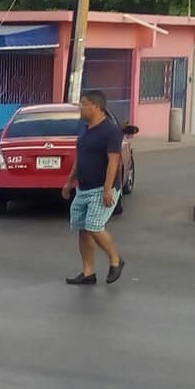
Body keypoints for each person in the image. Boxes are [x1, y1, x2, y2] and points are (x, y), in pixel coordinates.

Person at [63, 90, 126, 285]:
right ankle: (88, 272)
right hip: (83, 188)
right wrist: (69, 181)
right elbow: (80, 157)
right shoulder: (85, 129)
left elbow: (113, 162)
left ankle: (116, 260)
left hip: (101, 188)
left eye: (84, 103)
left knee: (93, 226)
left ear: (96, 106)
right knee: (83, 228)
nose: (80, 107)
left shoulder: (110, 131)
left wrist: (107, 190)